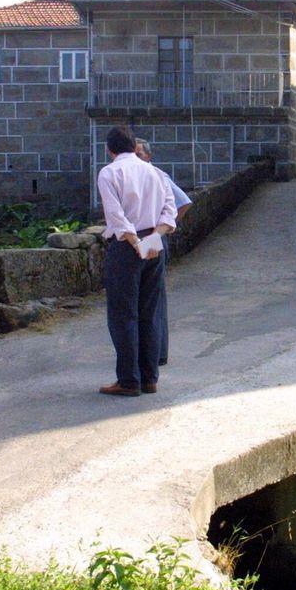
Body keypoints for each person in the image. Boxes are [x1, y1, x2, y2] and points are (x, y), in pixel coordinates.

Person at [97, 125, 176, 397]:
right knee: (149, 312)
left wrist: (136, 243)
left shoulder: (109, 173)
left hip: (126, 246)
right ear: (134, 147)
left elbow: (115, 215)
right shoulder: (155, 173)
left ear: (110, 150)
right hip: (155, 243)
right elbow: (170, 211)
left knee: (123, 314)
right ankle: (149, 377)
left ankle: (129, 380)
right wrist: (154, 238)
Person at [134, 138, 191, 366]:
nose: (135, 158)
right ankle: (147, 351)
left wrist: (164, 230)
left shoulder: (157, 175)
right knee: (144, 296)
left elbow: (184, 203)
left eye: (139, 154)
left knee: (152, 296)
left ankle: (156, 353)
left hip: (151, 237)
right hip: (142, 238)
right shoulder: (134, 176)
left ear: (148, 156)